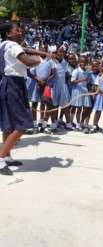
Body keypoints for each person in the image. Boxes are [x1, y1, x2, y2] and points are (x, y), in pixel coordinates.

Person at [0, 22, 41, 175]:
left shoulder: (3, 45)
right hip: (14, 84)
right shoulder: (13, 46)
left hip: (5, 82)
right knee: (23, 124)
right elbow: (29, 62)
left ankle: (7, 156)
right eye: (17, 30)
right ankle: (1, 158)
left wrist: (43, 54)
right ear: (8, 34)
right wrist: (38, 59)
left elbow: (25, 50)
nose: (21, 32)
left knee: (8, 124)